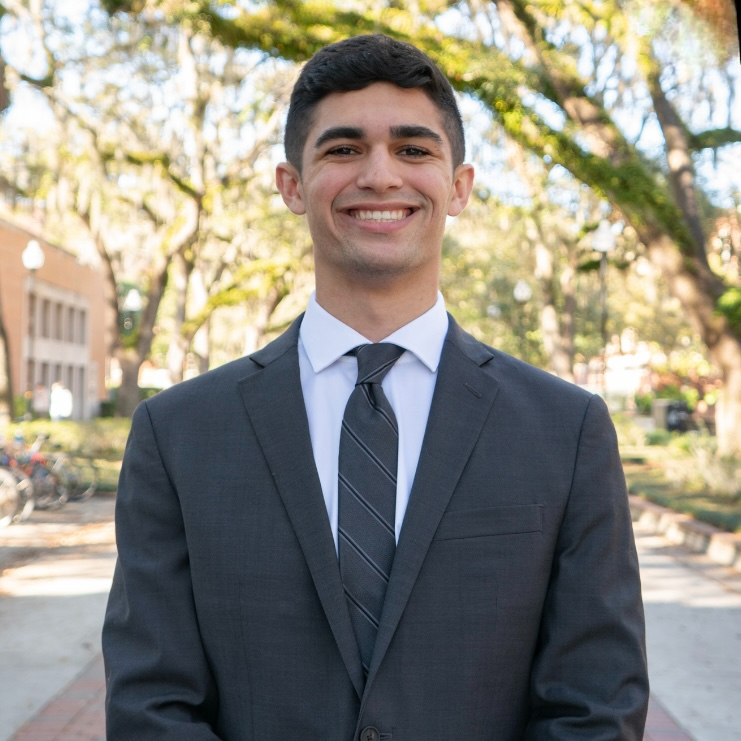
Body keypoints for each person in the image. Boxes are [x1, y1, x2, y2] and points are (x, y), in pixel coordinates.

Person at [103, 34, 648, 740]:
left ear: (459, 187)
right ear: (292, 186)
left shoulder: (565, 429)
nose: (380, 175)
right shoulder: (176, 434)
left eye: (414, 149)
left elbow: (596, 703)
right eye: (343, 149)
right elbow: (150, 703)